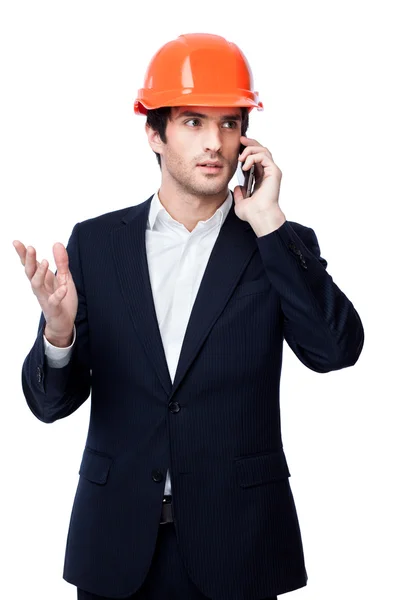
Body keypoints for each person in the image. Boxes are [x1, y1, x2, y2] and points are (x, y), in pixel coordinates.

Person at [14, 33, 364, 600]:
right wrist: (58, 334)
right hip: (116, 546)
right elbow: (51, 405)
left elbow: (336, 350)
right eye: (194, 122)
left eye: (230, 123)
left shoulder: (276, 242)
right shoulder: (97, 245)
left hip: (239, 543)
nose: (215, 144)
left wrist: (269, 221)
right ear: (154, 132)